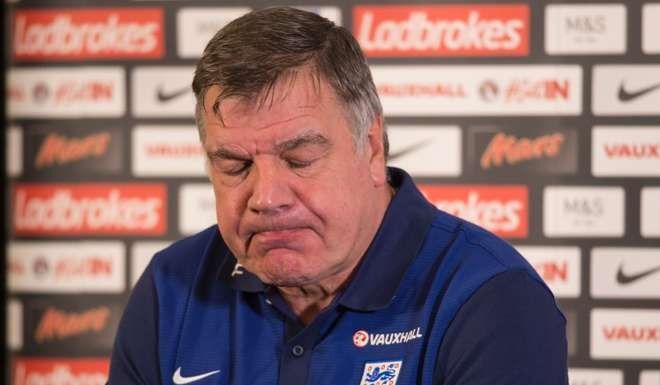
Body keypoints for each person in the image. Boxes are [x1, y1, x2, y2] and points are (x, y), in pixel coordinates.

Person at [108, 7, 567, 385]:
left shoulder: (490, 299)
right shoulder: (172, 288)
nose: (266, 197)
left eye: (300, 158)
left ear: (370, 148)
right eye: (235, 165)